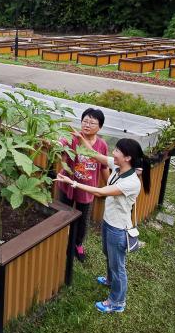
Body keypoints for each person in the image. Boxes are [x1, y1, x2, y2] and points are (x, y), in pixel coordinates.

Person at [56, 137, 144, 313]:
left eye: (117, 150)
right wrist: (81, 137)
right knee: (108, 255)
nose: (113, 153)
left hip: (118, 229)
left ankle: (117, 302)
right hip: (109, 222)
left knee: (118, 266)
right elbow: (95, 155)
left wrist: (72, 182)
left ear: (128, 157)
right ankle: (110, 281)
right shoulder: (118, 167)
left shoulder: (131, 183)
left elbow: (100, 191)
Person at [56, 108, 109, 262]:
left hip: (86, 189)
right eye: (85, 121)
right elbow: (60, 144)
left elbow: (104, 167)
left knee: (82, 219)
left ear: (100, 127)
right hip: (67, 184)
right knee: (62, 214)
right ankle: (61, 242)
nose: (87, 125)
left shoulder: (102, 145)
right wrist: (56, 142)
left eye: (92, 123)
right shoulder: (72, 138)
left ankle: (77, 244)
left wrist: (109, 185)